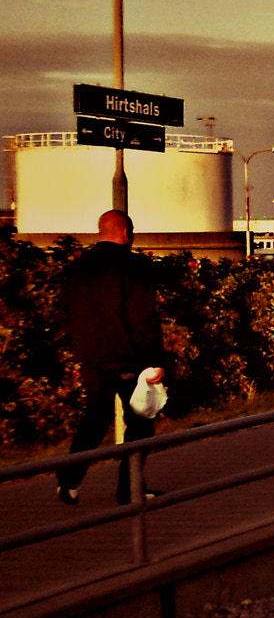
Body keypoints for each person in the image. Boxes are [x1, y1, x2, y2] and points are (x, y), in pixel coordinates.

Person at [55, 209, 167, 506]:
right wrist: (156, 361)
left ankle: (68, 481)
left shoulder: (77, 268)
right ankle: (129, 490)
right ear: (126, 233)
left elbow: (65, 310)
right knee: (141, 421)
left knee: (96, 416)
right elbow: (143, 316)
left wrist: (81, 347)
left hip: (90, 356)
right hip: (129, 356)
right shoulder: (135, 266)